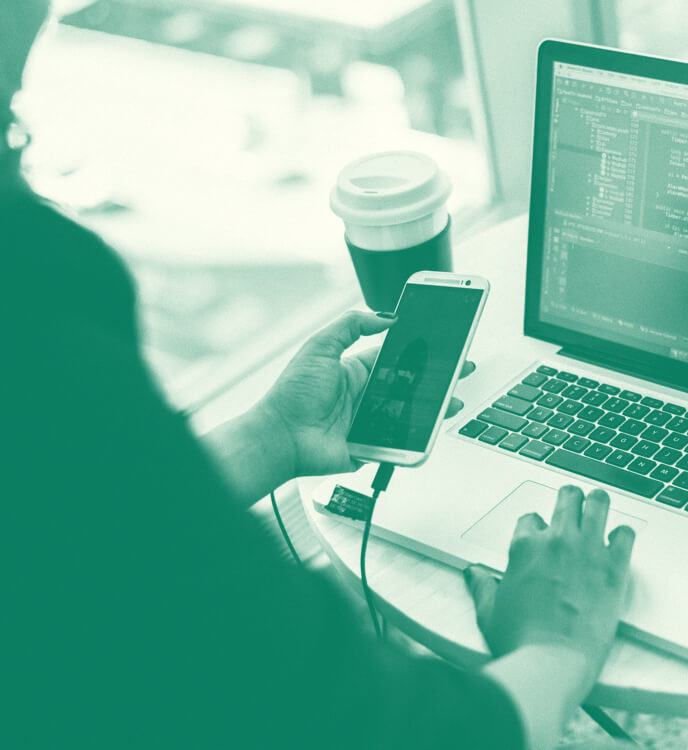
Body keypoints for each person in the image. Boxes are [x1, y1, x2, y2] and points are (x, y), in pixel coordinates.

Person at [3, 3, 636, 748]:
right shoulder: (37, 314)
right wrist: (556, 647)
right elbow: (374, 729)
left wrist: (272, 436)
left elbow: (81, 527)